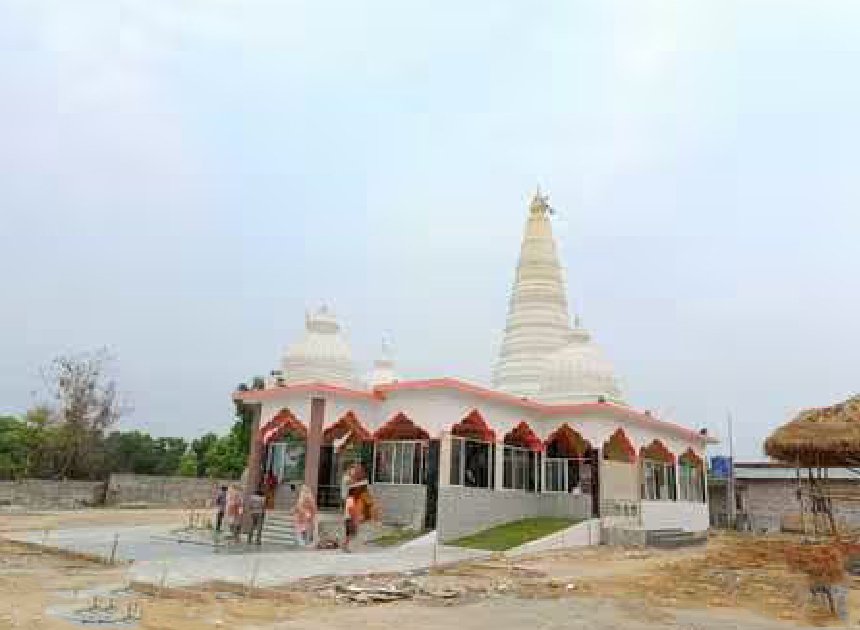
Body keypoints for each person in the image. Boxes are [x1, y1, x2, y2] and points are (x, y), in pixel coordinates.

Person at [342, 485, 362, 553]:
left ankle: (345, 545)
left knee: (350, 533)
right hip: (350, 518)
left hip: (348, 518)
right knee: (351, 533)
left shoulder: (349, 499)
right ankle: (345, 545)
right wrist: (354, 520)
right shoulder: (351, 499)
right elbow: (351, 510)